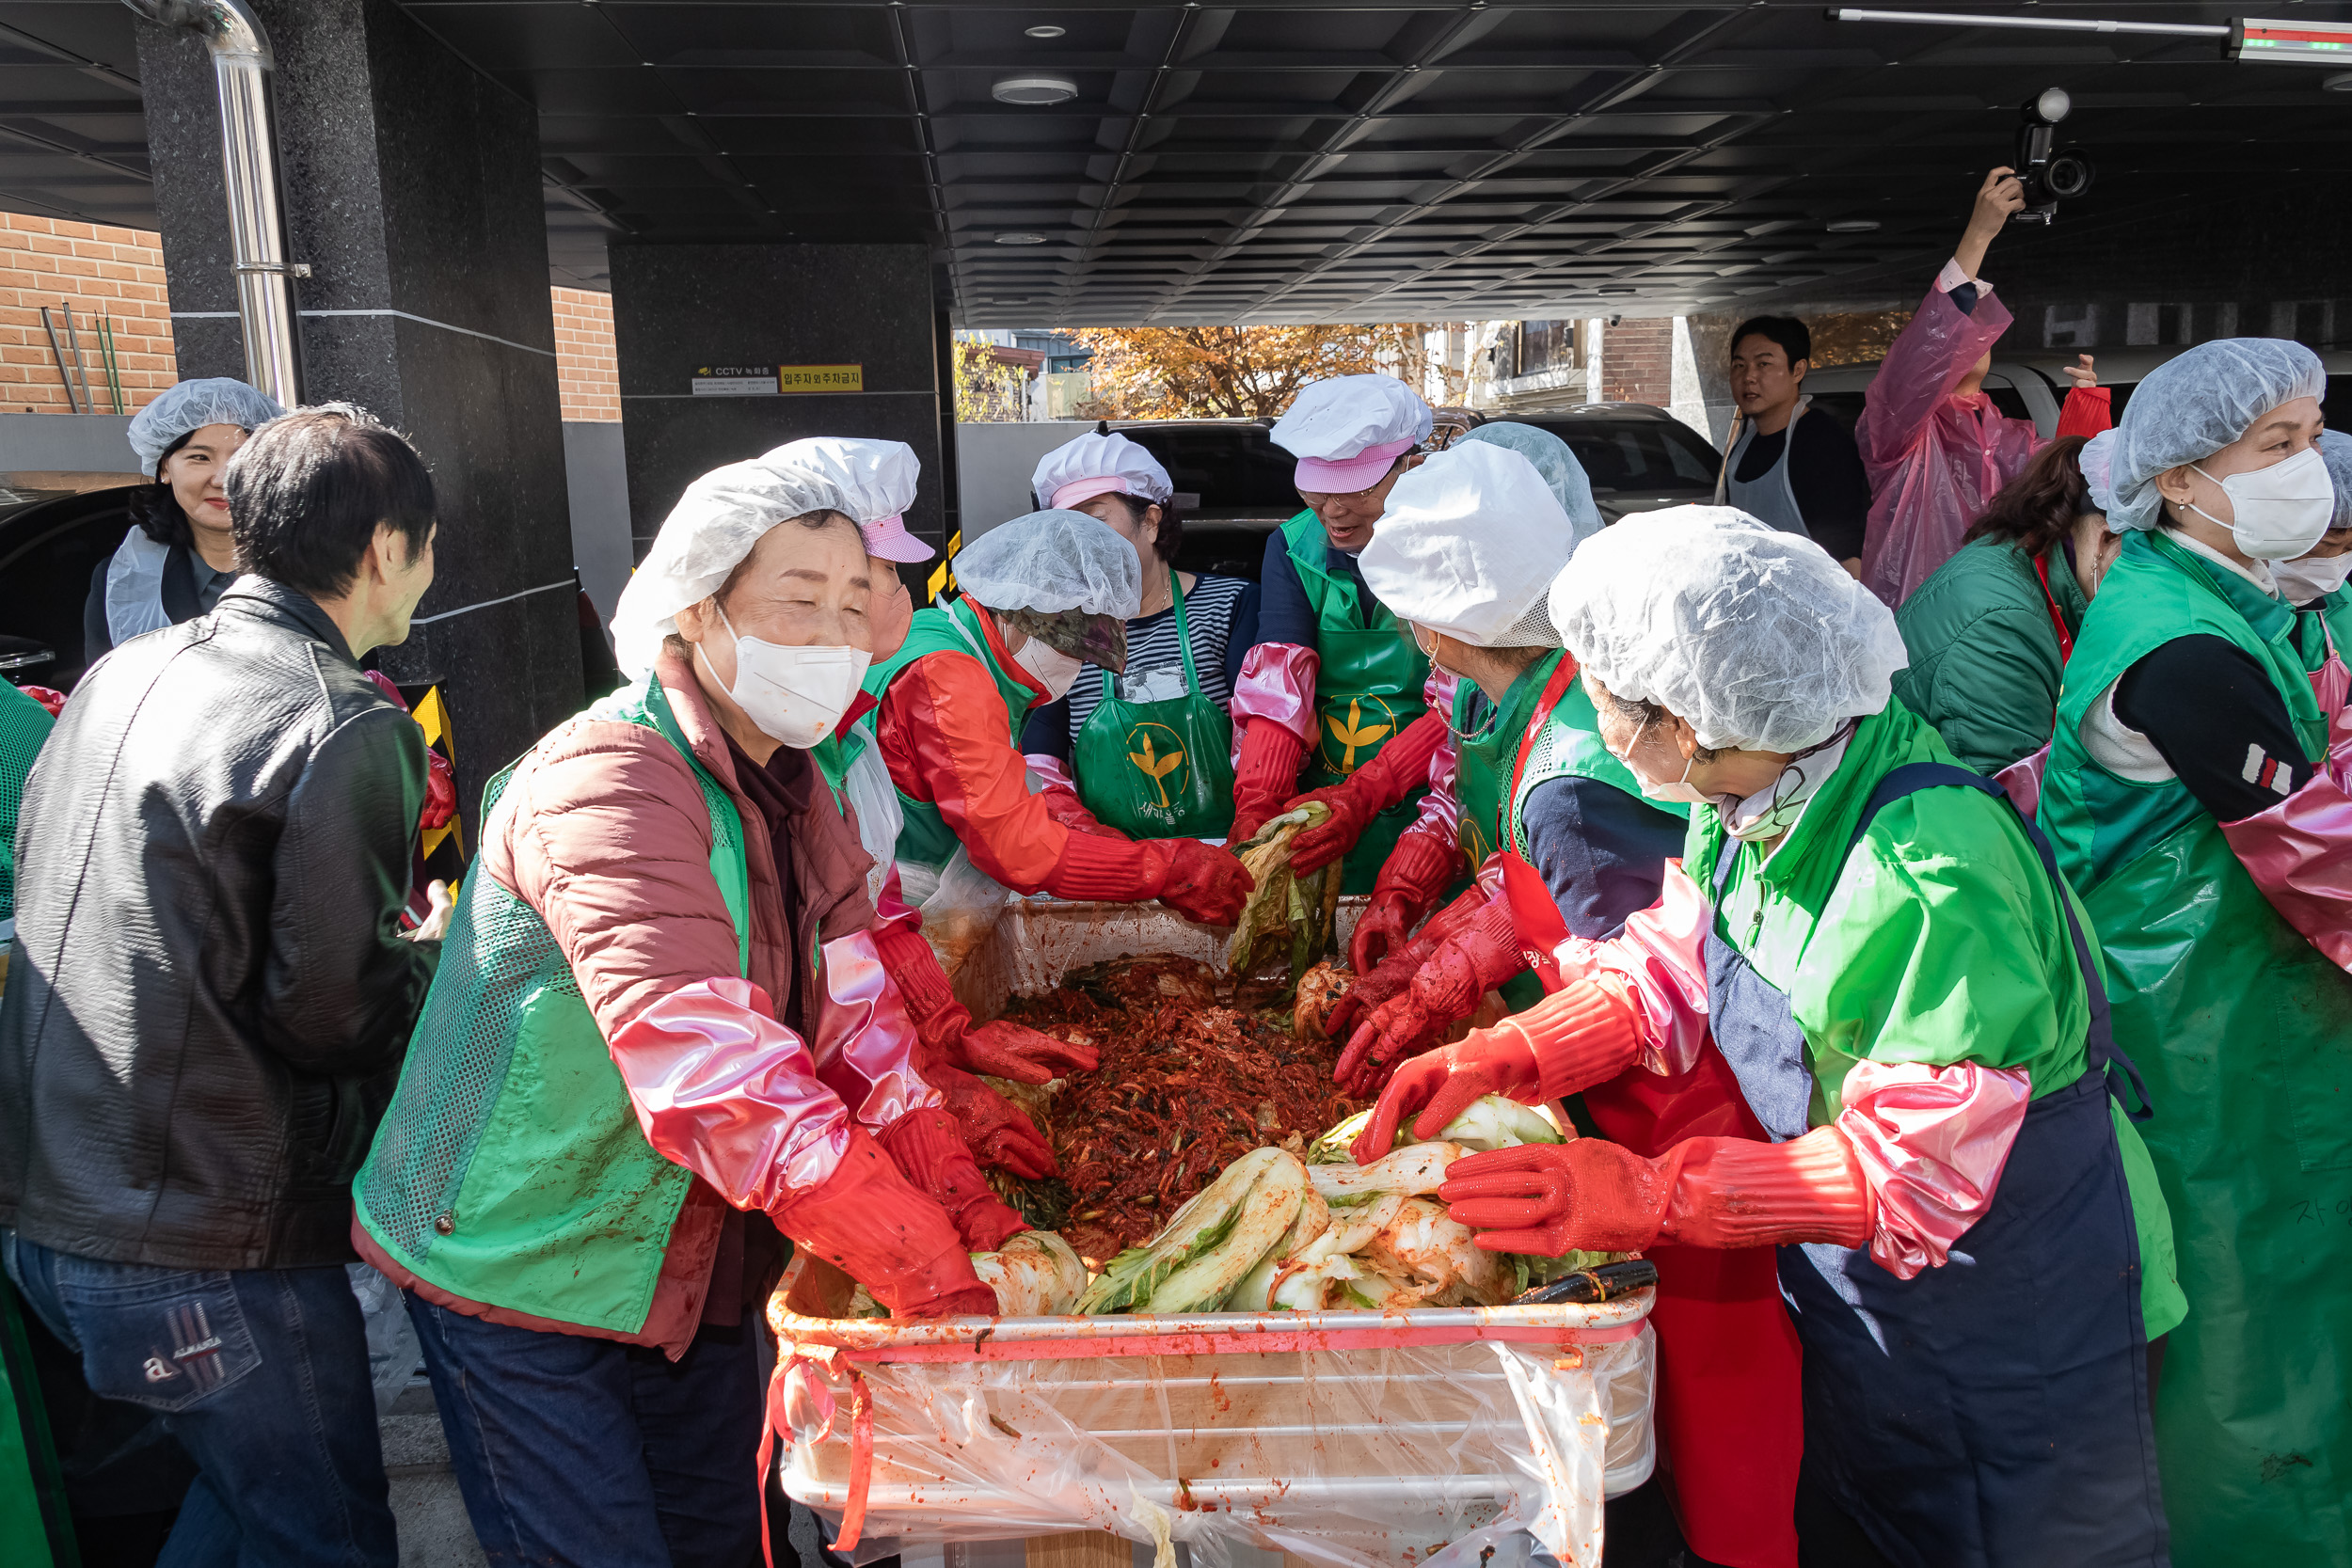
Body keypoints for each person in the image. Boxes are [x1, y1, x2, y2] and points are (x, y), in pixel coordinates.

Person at [1365, 506, 2184, 1566]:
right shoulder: (1749, 789)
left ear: (1691, 713)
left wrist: (1655, 1194)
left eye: (1610, 696)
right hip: (1868, 1303)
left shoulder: (1924, 870)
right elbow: (1669, 964)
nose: (1599, 721)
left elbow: (1913, 1173)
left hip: (2019, 1314)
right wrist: (1507, 1052)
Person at [354, 447, 1022, 1568]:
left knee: (728, 1535)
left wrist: (958, 1182)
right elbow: (720, 1082)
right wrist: (929, 1270)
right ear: (696, 613)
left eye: (851, 604)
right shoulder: (611, 781)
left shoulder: (791, 784)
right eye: (794, 602)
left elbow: (860, 1019)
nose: (829, 636)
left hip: (681, 1255)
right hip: (521, 1259)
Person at [1320, 451, 1797, 1568]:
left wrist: (1496, 1037)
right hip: (1626, 1095)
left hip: (1683, 1118)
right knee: (1673, 1379)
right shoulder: (1540, 706)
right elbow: (1549, 899)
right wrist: (1450, 959)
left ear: (1434, 624)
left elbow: (1657, 976)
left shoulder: (1573, 770)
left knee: (1717, 1369)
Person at [1, 405, 452, 1568]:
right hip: (204, 1245)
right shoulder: (342, 716)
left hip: (58, 1214)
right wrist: (431, 955)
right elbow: (331, 1010)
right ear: (384, 551)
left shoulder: (120, 673)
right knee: (325, 1538)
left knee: (241, 1510)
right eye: (428, 542)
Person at [2039, 341, 2351, 1564]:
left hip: (2256, 1027)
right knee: (2236, 1321)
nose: (2309, 467)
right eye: (2274, 444)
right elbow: (2326, 860)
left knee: (2291, 1302)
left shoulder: (2229, 596)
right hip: (2201, 1043)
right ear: (2178, 479)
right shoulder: (2181, 646)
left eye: (2311, 430)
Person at [791, 436, 1085, 1178]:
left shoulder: (837, 733)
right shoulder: (648, 774)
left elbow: (871, 905)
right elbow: (730, 1072)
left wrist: (946, 1034)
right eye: (883, 572)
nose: (901, 592)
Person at [862, 509, 1252, 925]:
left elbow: (988, 787)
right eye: (1072, 650)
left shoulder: (956, 642)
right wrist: (1164, 869)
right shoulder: (950, 675)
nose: (1078, 667)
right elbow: (1017, 847)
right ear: (1019, 615)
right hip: (892, 909)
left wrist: (1091, 839)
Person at [1227, 374, 1446, 891]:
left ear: (1409, 467)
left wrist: (1374, 786)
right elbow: (1280, 681)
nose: (1333, 510)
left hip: (1435, 799)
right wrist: (1259, 795)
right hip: (1321, 802)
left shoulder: (1449, 545)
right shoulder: (1292, 548)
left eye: (1355, 489)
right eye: (1315, 490)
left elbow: (1468, 699)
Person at [1856, 167, 2109, 606]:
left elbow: (2072, 487)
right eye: (1951, 326)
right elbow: (1921, 359)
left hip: (2007, 626)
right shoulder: (1900, 433)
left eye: (1974, 327)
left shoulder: (2012, 439)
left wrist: (2084, 413)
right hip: (1921, 628)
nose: (1963, 334)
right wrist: (1978, 235)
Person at [1020, 431, 1262, 841]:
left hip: (1230, 854)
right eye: (1068, 529)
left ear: (1150, 522)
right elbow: (1042, 750)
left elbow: (1262, 734)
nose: (1082, 543)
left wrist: (1251, 829)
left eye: (1095, 521)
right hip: (1118, 869)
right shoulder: (1062, 634)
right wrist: (1071, 821)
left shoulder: (1233, 605)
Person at [1891, 431, 2123, 772]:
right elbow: (2009, 795)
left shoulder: (2031, 558)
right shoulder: (2000, 623)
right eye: (2146, 561)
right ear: (2105, 538)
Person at [84, 377, 284, 664]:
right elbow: (106, 695)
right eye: (200, 457)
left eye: (245, 459)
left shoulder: (316, 570)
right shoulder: (120, 580)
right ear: (165, 467)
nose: (222, 479)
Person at [1719, 316, 1873, 571]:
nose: (1749, 377)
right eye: (1739, 365)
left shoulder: (1821, 444)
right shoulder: (1743, 445)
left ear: (1798, 370)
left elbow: (1846, 554)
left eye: (1764, 364)